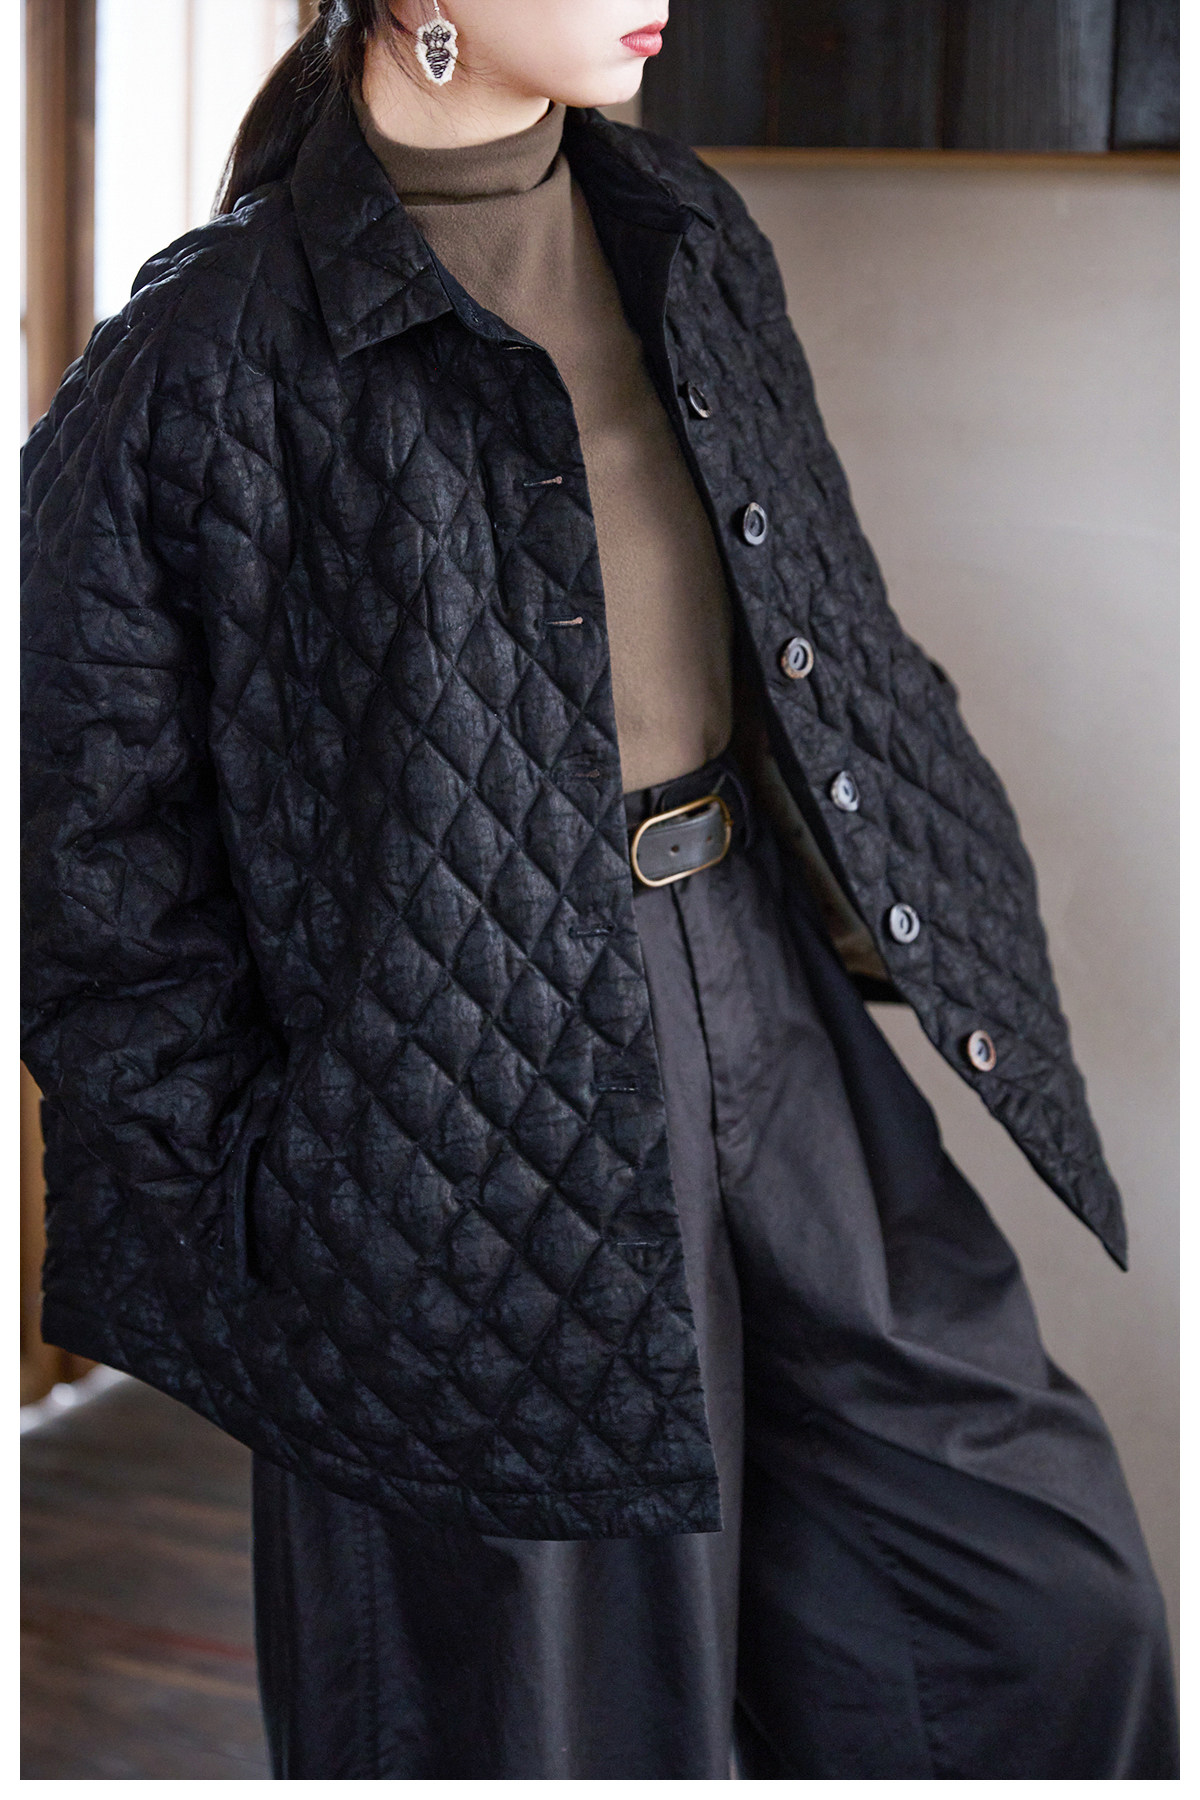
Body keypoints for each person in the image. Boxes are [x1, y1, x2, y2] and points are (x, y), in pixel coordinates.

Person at [21, 0, 1177, 1779]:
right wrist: (272, 1195)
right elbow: (82, 844)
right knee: (556, 1713)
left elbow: (825, 618)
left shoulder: (681, 227)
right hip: (444, 1094)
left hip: (759, 991)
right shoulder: (207, 346)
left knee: (1035, 1598)